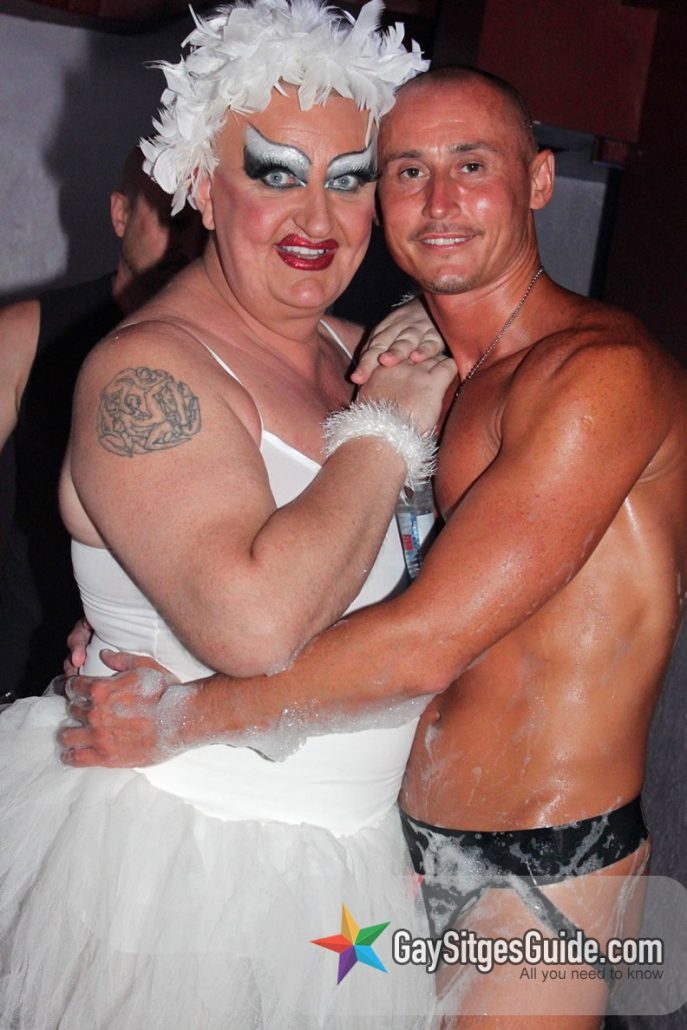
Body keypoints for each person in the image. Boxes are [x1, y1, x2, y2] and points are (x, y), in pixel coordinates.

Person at [61, 66, 687, 1026]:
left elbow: (422, 643)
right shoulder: (411, 365)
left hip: (536, 856)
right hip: (380, 850)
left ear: (536, 180)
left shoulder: (595, 373)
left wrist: (181, 714)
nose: (437, 202)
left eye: (470, 165)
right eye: (402, 172)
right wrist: (133, 618)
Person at [0, 3, 456, 1028]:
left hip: (349, 877)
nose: (317, 218)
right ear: (203, 186)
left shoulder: (358, 348)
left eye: (349, 179)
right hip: (180, 868)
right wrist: (385, 429)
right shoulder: (146, 369)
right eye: (276, 174)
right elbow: (254, 630)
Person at [0, 147, 205, 702]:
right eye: (171, 217)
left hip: (166, 686)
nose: (189, 240)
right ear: (120, 214)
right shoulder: (26, 333)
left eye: (203, 220)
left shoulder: (237, 350)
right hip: (23, 679)